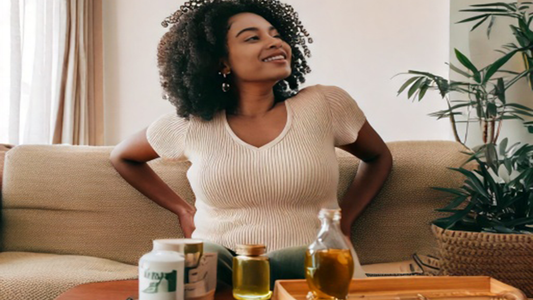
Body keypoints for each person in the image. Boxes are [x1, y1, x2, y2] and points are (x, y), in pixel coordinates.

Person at [110, 0, 392, 288]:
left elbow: (378, 156)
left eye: (276, 35)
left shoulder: (325, 104)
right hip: (222, 268)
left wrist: (342, 222)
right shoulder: (192, 124)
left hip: (310, 265)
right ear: (221, 61)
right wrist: (182, 210)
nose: (274, 43)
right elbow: (123, 157)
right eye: (253, 37)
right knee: (199, 259)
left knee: (303, 260)